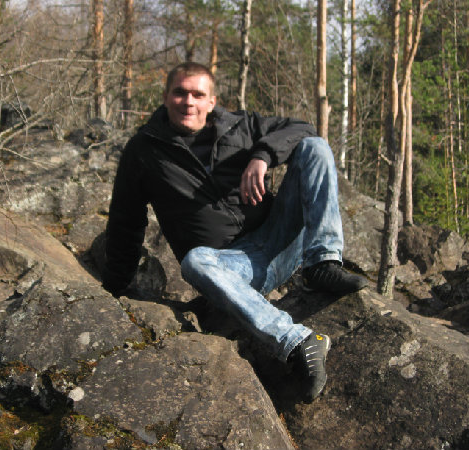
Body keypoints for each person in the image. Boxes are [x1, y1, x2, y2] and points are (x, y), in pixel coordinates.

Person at [100, 62, 368, 402]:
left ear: (212, 101)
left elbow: (303, 128)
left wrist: (262, 155)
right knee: (195, 261)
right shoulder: (144, 151)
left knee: (315, 147)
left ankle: (322, 264)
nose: (189, 102)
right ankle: (299, 342)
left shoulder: (240, 126)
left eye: (198, 94)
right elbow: (125, 221)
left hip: (280, 240)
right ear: (165, 97)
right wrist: (115, 289)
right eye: (180, 93)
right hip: (232, 268)